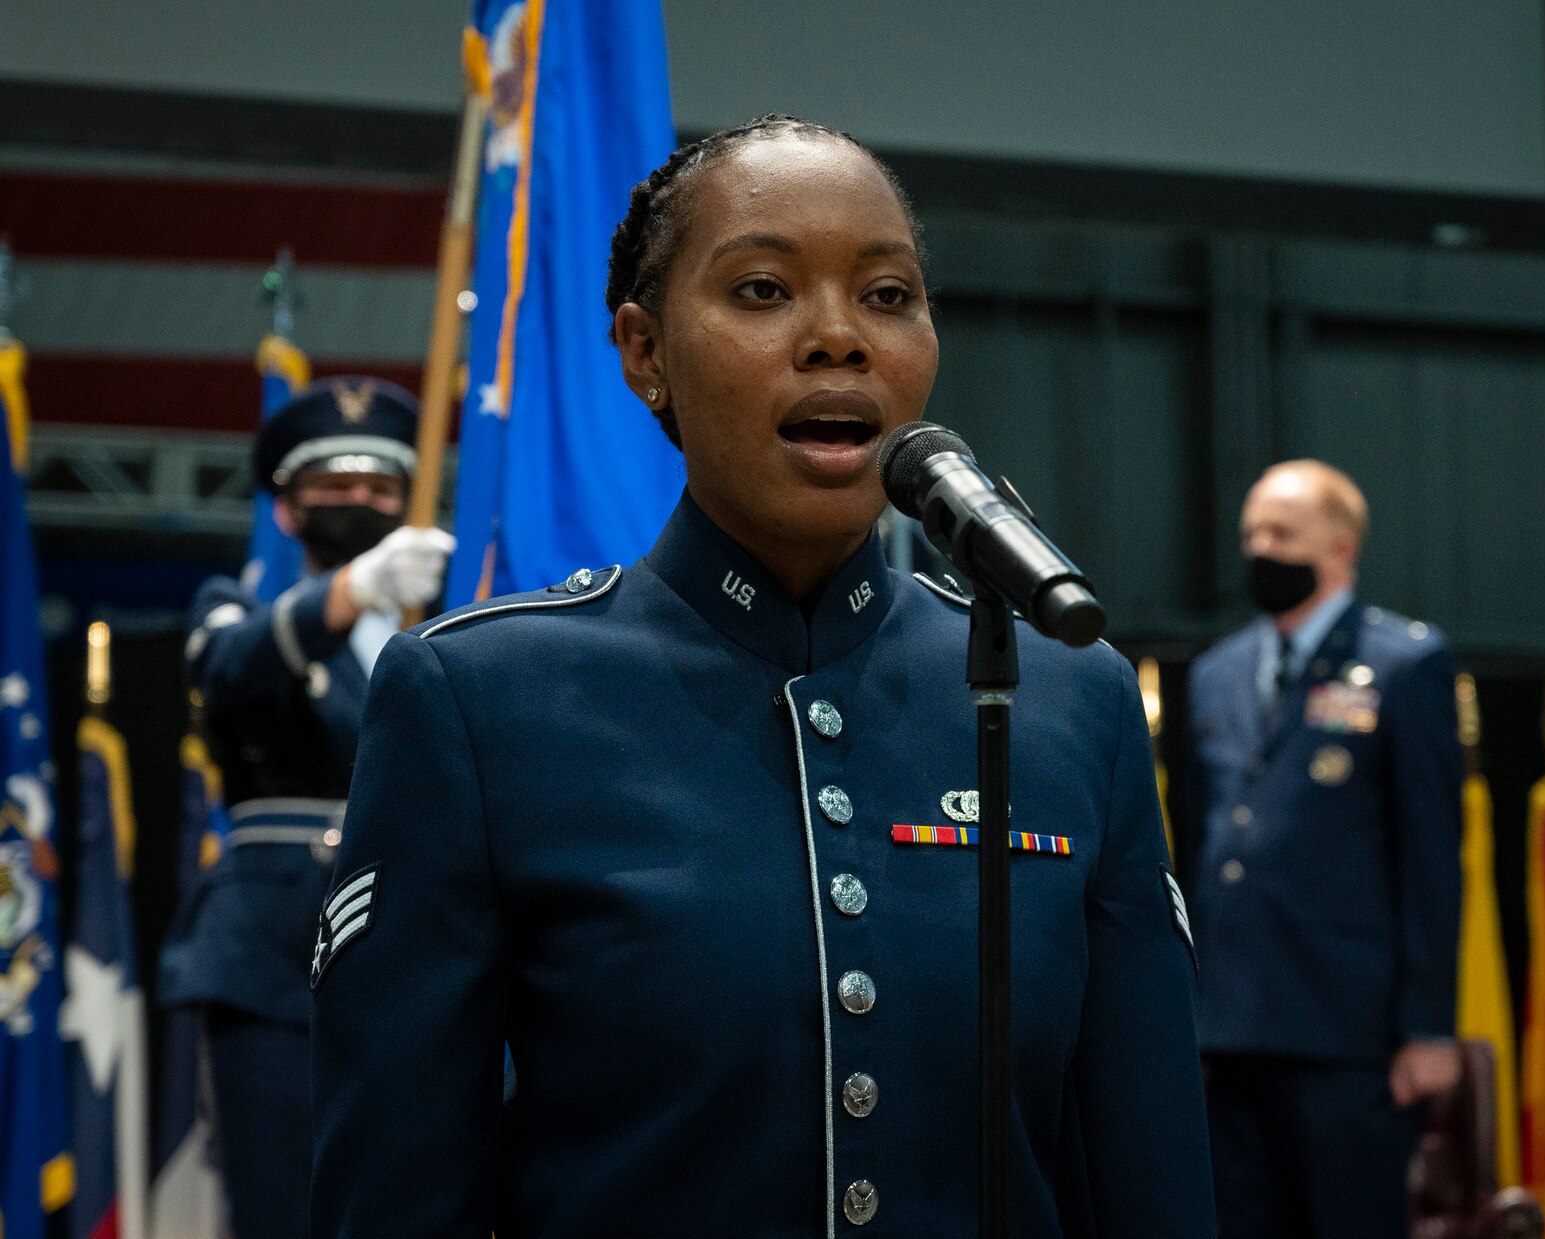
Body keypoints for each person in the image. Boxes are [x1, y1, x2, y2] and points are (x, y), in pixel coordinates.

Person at [309, 115, 1214, 1237]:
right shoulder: (483, 699)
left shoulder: (1070, 699)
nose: (839, 337)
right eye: (760, 290)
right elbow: (397, 1195)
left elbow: (1150, 1177)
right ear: (645, 354)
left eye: (887, 295)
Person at [157, 378, 454, 1239]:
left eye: (380, 491)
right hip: (271, 953)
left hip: (418, 943)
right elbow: (228, 668)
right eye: (333, 490)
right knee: (282, 1203)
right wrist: (354, 588)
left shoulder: (448, 637)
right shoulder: (235, 607)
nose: (358, 503)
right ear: (286, 510)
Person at [1188, 460, 1463, 1239]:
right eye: (1251, 533)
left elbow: (1431, 857)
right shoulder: (1217, 673)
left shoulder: (1404, 664)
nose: (1260, 548)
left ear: (1339, 548)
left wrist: (1428, 1026)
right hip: (1231, 1028)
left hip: (1347, 1032)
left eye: (1282, 533)